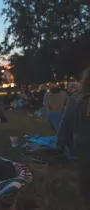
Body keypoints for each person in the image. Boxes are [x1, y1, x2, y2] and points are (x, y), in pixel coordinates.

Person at [56, 65, 90, 208]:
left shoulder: (76, 98)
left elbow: (66, 124)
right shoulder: (76, 98)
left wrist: (60, 144)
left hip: (83, 145)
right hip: (83, 143)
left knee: (85, 179)